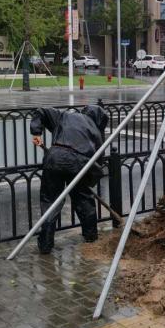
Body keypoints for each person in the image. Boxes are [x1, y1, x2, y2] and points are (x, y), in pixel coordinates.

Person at [30, 105, 109, 253]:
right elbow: (98, 164)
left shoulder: (65, 116)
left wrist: (36, 132)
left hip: (55, 159)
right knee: (84, 199)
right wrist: (87, 182)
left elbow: (41, 111)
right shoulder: (97, 133)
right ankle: (91, 235)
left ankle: (46, 244)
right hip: (79, 165)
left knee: (50, 202)